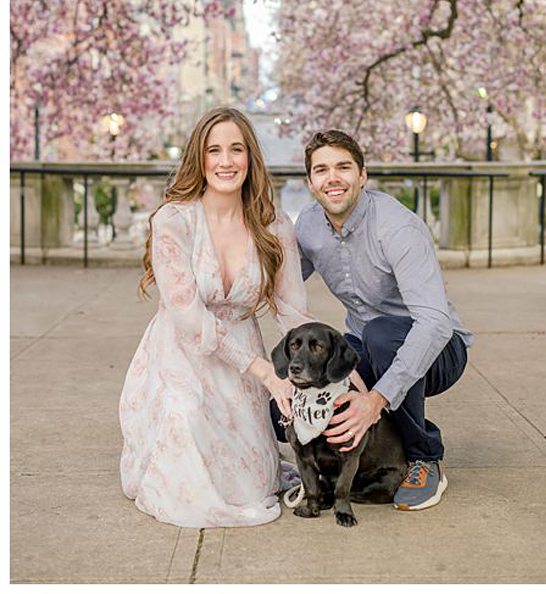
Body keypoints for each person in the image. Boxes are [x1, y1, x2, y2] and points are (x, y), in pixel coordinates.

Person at [121, 104, 307, 528]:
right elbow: (188, 317)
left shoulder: (274, 225)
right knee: (183, 421)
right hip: (180, 354)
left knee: (253, 484)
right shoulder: (174, 220)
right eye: (214, 150)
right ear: (199, 158)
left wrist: (346, 381)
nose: (226, 161)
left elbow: (294, 312)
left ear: (250, 158)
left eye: (236, 150)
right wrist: (265, 373)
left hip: (242, 358)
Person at [290, 128, 469, 512]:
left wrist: (375, 399)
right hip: (365, 345)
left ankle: (423, 457)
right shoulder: (307, 226)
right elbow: (282, 286)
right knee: (287, 408)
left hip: (440, 349)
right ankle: (346, 466)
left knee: (383, 334)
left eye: (343, 167)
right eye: (321, 170)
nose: (332, 178)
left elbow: (434, 323)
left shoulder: (396, 227)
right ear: (310, 182)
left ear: (362, 175)